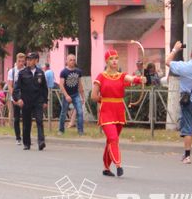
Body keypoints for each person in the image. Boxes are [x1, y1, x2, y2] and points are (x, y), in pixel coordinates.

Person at [91, 49, 145, 177]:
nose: (114, 61)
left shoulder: (121, 76)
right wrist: (103, 101)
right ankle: (118, 164)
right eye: (111, 59)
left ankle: (106, 167)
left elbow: (131, 78)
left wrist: (139, 79)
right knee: (113, 138)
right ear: (107, 61)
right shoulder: (101, 76)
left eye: (116, 58)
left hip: (119, 111)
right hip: (106, 111)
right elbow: (94, 96)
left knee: (111, 140)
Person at [13, 52, 48, 151]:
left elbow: (44, 88)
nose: (28, 61)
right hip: (26, 101)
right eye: (27, 59)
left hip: (38, 101)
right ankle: (26, 143)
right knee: (26, 123)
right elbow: (16, 89)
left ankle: (41, 141)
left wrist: (45, 101)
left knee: (39, 121)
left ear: (36, 60)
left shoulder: (40, 73)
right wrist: (18, 99)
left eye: (30, 59)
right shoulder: (22, 73)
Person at [59, 54, 85, 135]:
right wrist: (66, 96)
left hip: (76, 94)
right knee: (63, 113)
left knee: (80, 112)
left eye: (74, 60)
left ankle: (80, 131)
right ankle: (61, 130)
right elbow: (61, 85)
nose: (72, 61)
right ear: (66, 61)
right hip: (67, 95)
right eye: (70, 60)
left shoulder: (78, 71)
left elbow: (80, 84)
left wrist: (83, 96)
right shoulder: (64, 72)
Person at [6, 52, 26, 144]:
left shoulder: (26, 70)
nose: (21, 63)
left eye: (23, 61)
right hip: (15, 96)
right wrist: (14, 98)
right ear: (16, 61)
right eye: (19, 61)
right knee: (17, 118)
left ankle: (26, 137)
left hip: (25, 96)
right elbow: (10, 86)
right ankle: (18, 137)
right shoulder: (12, 71)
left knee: (26, 118)